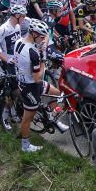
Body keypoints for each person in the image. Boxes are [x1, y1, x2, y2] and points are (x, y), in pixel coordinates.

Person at [12, 20, 63, 153]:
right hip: (31, 86)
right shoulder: (32, 53)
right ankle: (25, 145)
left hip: (26, 80)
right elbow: (38, 77)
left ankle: (52, 118)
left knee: (56, 92)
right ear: (33, 33)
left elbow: (43, 40)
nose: (42, 39)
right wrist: (44, 64)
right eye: (40, 36)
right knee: (27, 118)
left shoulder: (19, 41)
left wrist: (43, 44)